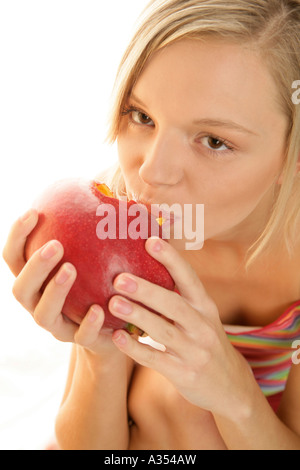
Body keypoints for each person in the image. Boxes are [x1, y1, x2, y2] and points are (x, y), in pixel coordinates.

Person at [3, 0, 300, 450]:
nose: (152, 173)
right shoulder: (118, 212)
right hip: (155, 433)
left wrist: (232, 393)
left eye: (215, 141)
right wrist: (100, 354)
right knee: (177, 399)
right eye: (142, 116)